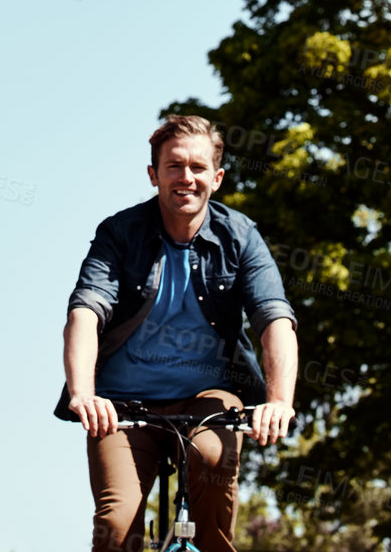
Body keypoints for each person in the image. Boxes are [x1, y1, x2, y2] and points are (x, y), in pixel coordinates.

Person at [58, 115, 298, 552]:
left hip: (209, 398)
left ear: (218, 177)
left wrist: (279, 402)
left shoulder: (241, 237)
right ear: (154, 174)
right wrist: (83, 393)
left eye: (198, 167)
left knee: (212, 459)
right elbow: (85, 313)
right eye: (173, 166)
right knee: (116, 526)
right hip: (122, 407)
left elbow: (274, 319)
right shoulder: (120, 234)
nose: (186, 177)